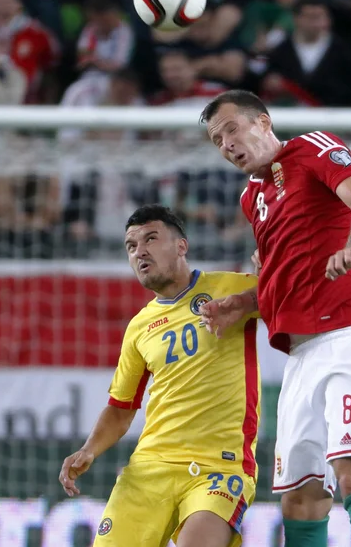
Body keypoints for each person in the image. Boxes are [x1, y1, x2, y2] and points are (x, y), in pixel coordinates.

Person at [199, 90, 351, 547]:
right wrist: (242, 303)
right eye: (216, 140)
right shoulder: (253, 197)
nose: (226, 144)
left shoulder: (313, 148)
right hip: (299, 355)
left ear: (263, 123)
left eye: (232, 129)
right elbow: (278, 273)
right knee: (300, 497)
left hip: (350, 335)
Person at [58, 204, 260, 547]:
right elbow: (122, 407)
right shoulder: (139, 327)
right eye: (131, 246)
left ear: (182, 246)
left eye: (151, 239)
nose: (140, 251)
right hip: (150, 468)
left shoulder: (233, 287)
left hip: (220, 467)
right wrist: (89, 449)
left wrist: (272, 272)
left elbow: (291, 297)